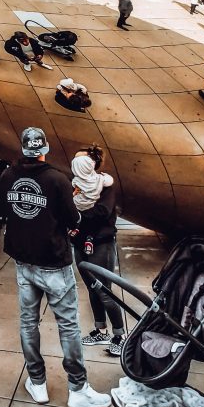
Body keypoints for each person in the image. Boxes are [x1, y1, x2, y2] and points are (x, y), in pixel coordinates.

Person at [0, 128, 111, 407]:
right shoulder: (58, 179)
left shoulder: (8, 175)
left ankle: (37, 383)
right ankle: (77, 389)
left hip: (23, 262)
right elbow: (73, 218)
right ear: (44, 150)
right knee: (69, 326)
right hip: (54, 263)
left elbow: (1, 209)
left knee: (28, 323)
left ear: (24, 149)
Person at [70, 148, 126, 355]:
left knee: (104, 291)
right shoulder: (75, 184)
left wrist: (75, 217)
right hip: (80, 242)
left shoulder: (105, 185)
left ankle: (120, 335)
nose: (76, 163)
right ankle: (101, 329)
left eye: (80, 159)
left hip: (100, 244)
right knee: (92, 288)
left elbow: (102, 212)